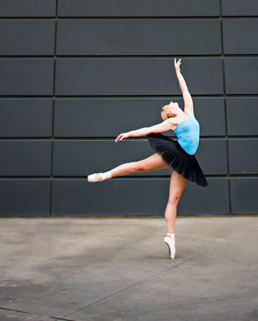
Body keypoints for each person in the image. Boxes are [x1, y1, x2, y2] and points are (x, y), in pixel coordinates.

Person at [87, 58, 207, 259]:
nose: (171, 102)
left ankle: (170, 237)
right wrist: (128, 133)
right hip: (176, 152)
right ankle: (104, 175)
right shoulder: (173, 122)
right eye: (168, 105)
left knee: (174, 199)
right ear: (169, 112)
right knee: (140, 166)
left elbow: (185, 91)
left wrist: (177, 71)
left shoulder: (189, 113)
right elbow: (149, 129)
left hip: (186, 160)